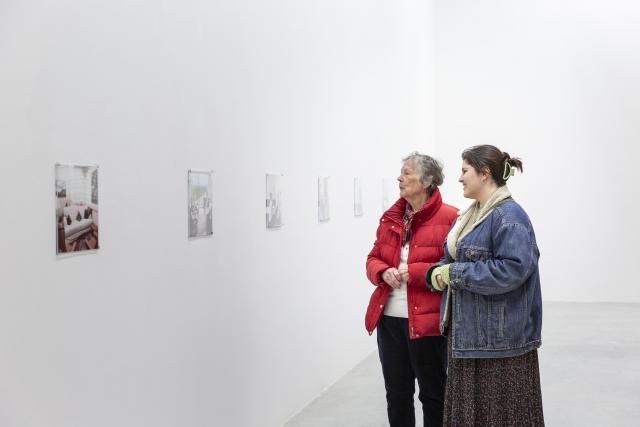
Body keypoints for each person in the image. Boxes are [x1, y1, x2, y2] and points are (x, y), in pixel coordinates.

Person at [427, 145, 545, 426]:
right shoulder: (473, 215)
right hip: (472, 337)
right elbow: (457, 259)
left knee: (501, 416)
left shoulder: (509, 217)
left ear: (484, 173)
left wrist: (454, 272)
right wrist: (438, 272)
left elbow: (512, 270)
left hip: (500, 344)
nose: (459, 178)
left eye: (465, 170)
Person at [365, 152, 458, 427]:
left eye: (406, 172)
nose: (399, 177)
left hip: (428, 324)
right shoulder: (391, 217)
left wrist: (415, 272)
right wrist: (382, 271)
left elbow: (454, 268)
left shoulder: (451, 217)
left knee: (433, 395)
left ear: (427, 180)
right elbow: (372, 258)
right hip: (390, 321)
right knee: (397, 394)